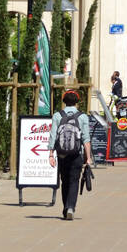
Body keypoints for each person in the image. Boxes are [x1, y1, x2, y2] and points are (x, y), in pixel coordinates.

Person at [48, 90, 93, 221]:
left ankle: (65, 208)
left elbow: (53, 136)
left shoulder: (57, 115)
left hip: (62, 154)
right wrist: (88, 158)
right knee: (74, 181)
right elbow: (86, 139)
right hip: (76, 154)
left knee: (65, 181)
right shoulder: (83, 117)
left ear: (64, 101)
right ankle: (70, 207)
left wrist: (51, 154)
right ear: (77, 102)